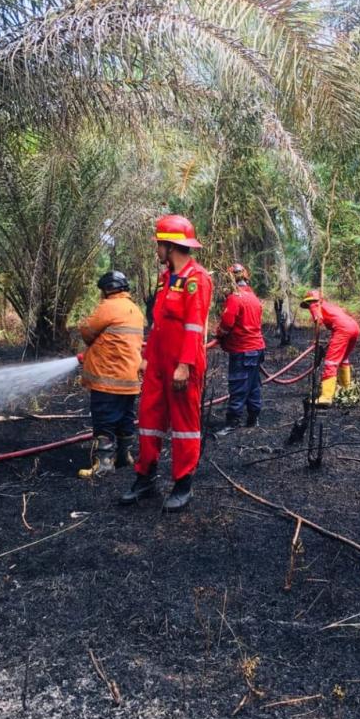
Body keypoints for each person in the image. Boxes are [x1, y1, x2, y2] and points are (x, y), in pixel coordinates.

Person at [121, 214, 213, 511]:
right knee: (149, 419)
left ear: (170, 246)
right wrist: (147, 359)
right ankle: (146, 476)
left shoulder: (196, 280)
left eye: (159, 244)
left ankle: (183, 483)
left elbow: (195, 327)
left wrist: (184, 365)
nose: (156, 250)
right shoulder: (165, 280)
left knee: (184, 425)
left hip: (182, 365)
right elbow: (159, 324)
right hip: (158, 363)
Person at [76, 270, 144, 478]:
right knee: (125, 418)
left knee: (104, 420)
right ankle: (124, 456)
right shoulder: (135, 309)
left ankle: (104, 463)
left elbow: (86, 331)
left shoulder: (108, 307)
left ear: (107, 289)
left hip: (108, 380)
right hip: (130, 379)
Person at [215, 263, 266, 434]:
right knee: (253, 384)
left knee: (238, 384)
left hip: (243, 349)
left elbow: (227, 323)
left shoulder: (235, 298)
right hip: (257, 348)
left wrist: (219, 334)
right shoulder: (253, 297)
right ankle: (253, 418)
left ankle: (233, 421)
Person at [299, 290, 360, 407]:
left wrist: (315, 340)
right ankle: (346, 389)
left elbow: (318, 321)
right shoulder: (330, 306)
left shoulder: (314, 305)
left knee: (330, 362)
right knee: (343, 358)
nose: (308, 308)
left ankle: (326, 397)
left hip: (342, 330)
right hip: (354, 327)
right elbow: (339, 319)